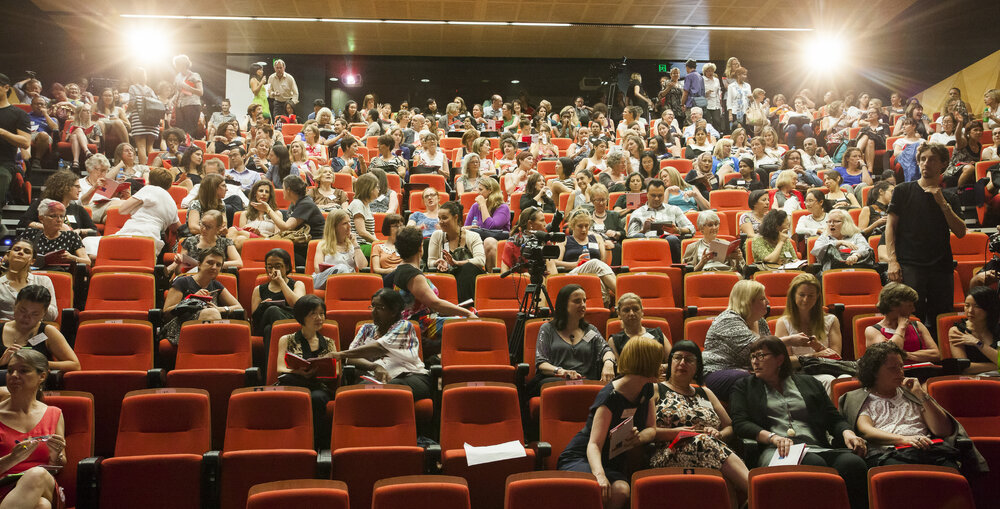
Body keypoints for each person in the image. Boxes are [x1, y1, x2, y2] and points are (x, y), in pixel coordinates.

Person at [730, 337, 869, 509]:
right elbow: (740, 423)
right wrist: (772, 437)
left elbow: (833, 418)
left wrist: (848, 432)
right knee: (814, 465)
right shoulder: (744, 386)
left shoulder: (809, 383)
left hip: (817, 446)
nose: (754, 361)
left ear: (780, 359)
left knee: (853, 464)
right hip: (776, 450)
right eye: (752, 357)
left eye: (760, 355)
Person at [841, 341, 987, 471]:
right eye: (893, 368)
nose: (900, 372)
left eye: (901, 366)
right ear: (873, 372)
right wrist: (903, 439)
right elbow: (866, 431)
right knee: (898, 470)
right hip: (889, 453)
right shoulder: (860, 398)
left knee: (951, 468)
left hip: (926, 450)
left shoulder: (911, 393)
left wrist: (922, 396)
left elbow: (943, 430)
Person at [556, 337, 660, 509]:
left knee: (621, 490)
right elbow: (594, 445)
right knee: (603, 489)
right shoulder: (610, 396)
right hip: (583, 457)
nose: (662, 365)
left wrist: (638, 438)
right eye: (657, 361)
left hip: (611, 459)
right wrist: (599, 476)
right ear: (646, 363)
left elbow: (651, 429)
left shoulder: (647, 388)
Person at [650, 340, 748, 502]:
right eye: (678, 358)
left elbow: (730, 426)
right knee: (703, 441)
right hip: (669, 452)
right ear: (670, 362)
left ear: (697, 367)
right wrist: (680, 433)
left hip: (711, 449)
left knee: (716, 462)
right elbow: (648, 431)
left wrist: (719, 434)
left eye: (689, 359)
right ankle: (756, 492)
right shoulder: (655, 389)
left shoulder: (705, 393)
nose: (682, 362)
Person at [886, 143, 967, 327]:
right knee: (911, 319)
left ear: (943, 165)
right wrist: (892, 260)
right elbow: (890, 226)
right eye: (922, 159)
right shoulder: (902, 190)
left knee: (943, 320)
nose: (926, 163)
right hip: (911, 266)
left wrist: (942, 203)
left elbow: (960, 232)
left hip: (941, 267)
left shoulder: (950, 197)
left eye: (932, 159)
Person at [388, 226, 476, 358]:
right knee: (469, 323)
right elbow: (435, 304)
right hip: (418, 326)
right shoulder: (412, 274)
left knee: (469, 317)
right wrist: (467, 313)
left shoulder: (404, 269)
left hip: (419, 322)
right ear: (420, 247)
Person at [331, 288, 433, 402]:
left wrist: (340, 354)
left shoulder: (404, 326)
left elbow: (379, 348)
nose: (373, 311)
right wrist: (374, 366)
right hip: (375, 377)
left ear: (393, 311)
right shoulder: (366, 329)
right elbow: (351, 358)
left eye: (379, 308)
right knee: (366, 389)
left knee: (388, 389)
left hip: (411, 376)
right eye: (372, 306)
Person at [0, 349, 67, 508]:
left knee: (37, 474)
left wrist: (55, 454)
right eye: (10, 371)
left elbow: (60, 465)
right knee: (42, 506)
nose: (14, 375)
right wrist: (12, 459)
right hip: (4, 489)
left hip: (45, 483)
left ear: (42, 376)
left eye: (23, 370)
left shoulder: (54, 413)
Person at [275, 295, 336, 448]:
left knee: (316, 398)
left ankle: (315, 445)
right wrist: (298, 371)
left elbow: (336, 372)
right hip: (294, 383)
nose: (319, 318)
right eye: (313, 314)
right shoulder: (286, 339)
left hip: (318, 386)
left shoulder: (329, 343)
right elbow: (280, 368)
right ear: (302, 317)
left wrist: (321, 372)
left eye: (322, 313)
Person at [702, 281, 775, 400]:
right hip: (718, 370)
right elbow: (756, 347)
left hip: (751, 371)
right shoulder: (728, 319)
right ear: (747, 302)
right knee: (748, 379)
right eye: (762, 299)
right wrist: (789, 340)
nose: (768, 302)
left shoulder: (761, 322)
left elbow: (770, 353)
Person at [774, 273, 844, 389]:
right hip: (799, 373)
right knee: (828, 380)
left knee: (844, 378)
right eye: (801, 295)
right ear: (793, 296)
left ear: (817, 297)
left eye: (811, 295)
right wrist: (813, 356)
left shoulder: (831, 320)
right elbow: (785, 362)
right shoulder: (783, 323)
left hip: (828, 368)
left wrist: (819, 348)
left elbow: (836, 356)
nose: (806, 299)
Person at [0, 285, 79, 372]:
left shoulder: (47, 332)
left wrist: (36, 363)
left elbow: (75, 365)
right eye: (22, 311)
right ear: (15, 306)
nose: (26, 317)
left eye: (35, 314)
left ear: (44, 314)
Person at [252, 175, 326, 266]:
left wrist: (268, 209)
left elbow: (286, 228)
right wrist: (263, 236)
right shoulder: (294, 204)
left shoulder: (306, 204)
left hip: (311, 250)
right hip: (299, 245)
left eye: (283, 188)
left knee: (274, 253)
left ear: (288, 190)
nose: (282, 191)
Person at [864, 283, 942, 362]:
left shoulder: (918, 325)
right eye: (910, 306)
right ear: (893, 306)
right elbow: (891, 357)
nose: (913, 310)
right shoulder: (873, 331)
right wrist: (901, 327)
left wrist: (906, 355)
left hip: (923, 372)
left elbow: (936, 354)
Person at [553, 209, 618, 302]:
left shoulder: (597, 238)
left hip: (596, 273)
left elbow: (604, 263)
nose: (584, 229)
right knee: (594, 263)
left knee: (598, 278)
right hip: (573, 274)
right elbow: (554, 262)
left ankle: (604, 309)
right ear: (572, 226)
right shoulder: (564, 240)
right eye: (580, 226)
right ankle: (624, 295)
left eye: (586, 226)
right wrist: (576, 264)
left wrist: (608, 249)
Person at [428, 201, 485, 303]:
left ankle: (465, 306)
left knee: (467, 268)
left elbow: (480, 261)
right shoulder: (437, 235)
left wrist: (457, 263)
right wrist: (438, 262)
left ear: (455, 217)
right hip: (446, 276)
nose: (441, 221)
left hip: (468, 280)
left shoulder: (473, 236)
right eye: (439, 218)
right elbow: (430, 261)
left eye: (444, 218)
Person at [626, 179, 693, 264]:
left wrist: (677, 230)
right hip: (645, 244)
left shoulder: (674, 209)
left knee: (672, 238)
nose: (657, 199)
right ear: (647, 195)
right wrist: (644, 229)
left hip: (668, 243)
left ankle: (677, 268)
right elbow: (630, 237)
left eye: (660, 195)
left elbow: (691, 228)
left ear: (664, 195)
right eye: (653, 195)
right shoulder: (637, 213)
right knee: (638, 236)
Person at [250, 247, 305, 346]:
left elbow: (298, 306)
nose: (273, 270)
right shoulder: (259, 289)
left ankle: (269, 362)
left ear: (287, 267)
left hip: (291, 322)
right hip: (263, 324)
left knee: (269, 330)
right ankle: (292, 344)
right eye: (270, 267)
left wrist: (281, 281)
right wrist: (263, 305)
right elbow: (255, 318)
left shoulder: (298, 284)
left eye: (278, 266)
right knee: (272, 310)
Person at [20, 168, 99, 235]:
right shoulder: (43, 204)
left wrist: (78, 231)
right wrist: (53, 227)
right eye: (76, 187)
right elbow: (24, 223)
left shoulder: (78, 209)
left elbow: (94, 230)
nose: (80, 190)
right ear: (64, 187)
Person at [167, 209, 242, 276]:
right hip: (193, 280)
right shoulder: (190, 241)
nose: (203, 229)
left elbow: (239, 263)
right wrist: (178, 263)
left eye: (208, 227)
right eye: (202, 224)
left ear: (218, 228)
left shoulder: (226, 242)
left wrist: (212, 265)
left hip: (217, 280)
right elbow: (179, 272)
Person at [21, 199, 90, 271]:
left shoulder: (71, 236)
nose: (59, 220)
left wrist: (72, 258)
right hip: (32, 274)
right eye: (53, 216)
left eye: (62, 216)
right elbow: (9, 256)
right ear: (41, 219)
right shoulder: (30, 234)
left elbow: (87, 262)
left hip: (60, 275)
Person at [0, 239, 57, 322]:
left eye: (26, 251)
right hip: (5, 329)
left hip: (35, 329)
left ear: (32, 261)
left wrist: (37, 300)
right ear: (8, 256)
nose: (20, 252)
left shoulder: (43, 281)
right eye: (16, 249)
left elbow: (52, 316)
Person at [947, 286, 1000, 375]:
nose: (970, 311)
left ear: (989, 308)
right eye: (967, 305)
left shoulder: (997, 328)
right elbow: (963, 368)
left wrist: (977, 343)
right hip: (973, 381)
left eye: (977, 306)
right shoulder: (957, 331)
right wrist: (997, 365)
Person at [312, 209, 368, 290]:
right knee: (342, 268)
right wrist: (338, 270)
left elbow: (362, 266)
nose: (350, 226)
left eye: (349, 222)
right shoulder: (323, 245)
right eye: (345, 223)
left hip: (347, 282)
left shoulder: (352, 245)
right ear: (334, 226)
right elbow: (317, 269)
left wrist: (355, 244)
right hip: (327, 282)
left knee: (345, 271)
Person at [1, 75, 35, 202]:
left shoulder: (19, 114)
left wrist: (3, 132)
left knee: (2, 175)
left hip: (4, 162)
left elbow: (25, 142)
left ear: (6, 88)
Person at [608, 293, 670, 358]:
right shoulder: (614, 341)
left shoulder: (658, 334)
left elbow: (672, 362)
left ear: (642, 312)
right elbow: (617, 367)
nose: (631, 313)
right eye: (626, 310)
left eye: (635, 309)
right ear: (619, 314)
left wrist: (661, 367)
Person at [229, 180, 278, 250]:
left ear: (270, 196)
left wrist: (260, 234)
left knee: (233, 230)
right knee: (240, 238)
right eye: (261, 191)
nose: (264, 194)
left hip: (267, 241)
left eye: (267, 192)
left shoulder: (276, 213)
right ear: (255, 194)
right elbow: (241, 233)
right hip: (248, 242)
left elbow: (278, 237)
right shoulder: (245, 214)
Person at [171, 55, 203, 135]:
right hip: (180, 106)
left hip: (192, 105)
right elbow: (177, 91)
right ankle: (181, 146)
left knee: (190, 130)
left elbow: (200, 92)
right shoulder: (177, 77)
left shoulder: (194, 75)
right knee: (180, 130)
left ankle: (189, 146)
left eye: (178, 64)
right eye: (176, 64)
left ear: (185, 64)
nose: (177, 66)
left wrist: (188, 87)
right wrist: (174, 98)